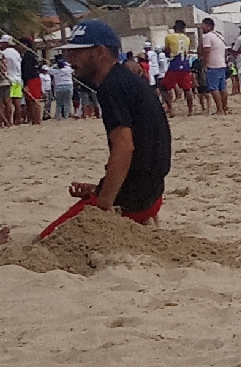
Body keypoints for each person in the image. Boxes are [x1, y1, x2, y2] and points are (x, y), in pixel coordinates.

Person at [57, 19, 172, 222]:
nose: (70, 59)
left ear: (100, 52)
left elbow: (124, 147)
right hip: (151, 194)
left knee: (50, 237)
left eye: (77, 52)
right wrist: (99, 188)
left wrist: (103, 205)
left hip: (133, 201)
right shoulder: (126, 80)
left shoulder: (111, 87)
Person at [163, 19, 197, 116]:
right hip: (185, 65)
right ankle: (190, 110)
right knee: (187, 89)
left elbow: (168, 52)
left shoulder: (169, 37)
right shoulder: (187, 39)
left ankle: (170, 110)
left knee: (164, 88)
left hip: (174, 65)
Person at [199, 17, 229, 115]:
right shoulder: (219, 36)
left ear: (208, 26)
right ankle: (224, 107)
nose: (202, 28)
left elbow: (206, 51)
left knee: (213, 88)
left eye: (203, 26)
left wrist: (205, 64)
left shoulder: (208, 36)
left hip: (213, 65)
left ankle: (219, 109)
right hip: (221, 63)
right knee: (223, 88)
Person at [51, 54, 75, 119]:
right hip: (68, 85)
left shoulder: (54, 70)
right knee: (67, 102)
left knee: (59, 103)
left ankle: (58, 116)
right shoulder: (68, 69)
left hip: (59, 86)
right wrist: (66, 64)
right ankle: (66, 115)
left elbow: (49, 70)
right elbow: (72, 68)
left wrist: (55, 65)